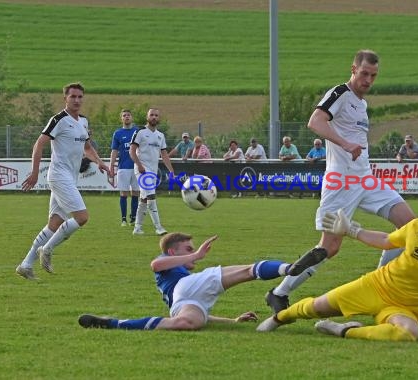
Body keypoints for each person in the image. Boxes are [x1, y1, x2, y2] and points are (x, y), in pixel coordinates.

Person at [265, 49, 416, 314]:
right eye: (364, 73)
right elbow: (315, 122)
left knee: (410, 226)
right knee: (329, 247)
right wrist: (345, 144)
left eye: (373, 75)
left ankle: (378, 287)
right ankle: (279, 292)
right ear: (353, 69)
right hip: (341, 183)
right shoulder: (341, 93)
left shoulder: (362, 103)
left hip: (365, 180)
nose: (368, 80)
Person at [258, 187, 418, 344]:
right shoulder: (416, 227)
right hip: (375, 286)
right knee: (315, 307)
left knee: (408, 334)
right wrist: (353, 230)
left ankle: (343, 331)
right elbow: (387, 241)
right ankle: (278, 319)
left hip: (405, 309)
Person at [78, 232, 299, 331]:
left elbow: (197, 307)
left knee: (185, 322)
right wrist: (195, 257)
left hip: (184, 302)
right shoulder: (166, 261)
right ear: (173, 251)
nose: (192, 253)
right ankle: (290, 268)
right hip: (186, 293)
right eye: (188, 248)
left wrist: (231, 321)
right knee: (247, 271)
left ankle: (114, 323)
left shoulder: (184, 279)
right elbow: (155, 265)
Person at [15, 82, 110, 280]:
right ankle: (47, 250)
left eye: (79, 97)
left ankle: (25, 265)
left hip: (70, 177)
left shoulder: (83, 121)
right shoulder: (58, 119)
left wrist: (100, 162)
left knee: (54, 223)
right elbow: (39, 144)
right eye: (72, 96)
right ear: (65, 98)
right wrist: (34, 173)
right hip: (59, 175)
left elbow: (87, 148)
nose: (76, 100)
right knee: (82, 217)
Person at [130, 108, 175, 236]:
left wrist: (171, 170)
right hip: (142, 170)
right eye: (152, 115)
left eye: (156, 115)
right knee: (151, 196)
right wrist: (139, 165)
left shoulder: (160, 135)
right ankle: (158, 227)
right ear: (147, 117)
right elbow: (132, 151)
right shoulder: (140, 132)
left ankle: (137, 228)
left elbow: (164, 154)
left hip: (153, 171)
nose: (154, 117)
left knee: (144, 198)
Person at [109, 109, 140, 227]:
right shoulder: (117, 133)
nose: (126, 117)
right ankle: (123, 219)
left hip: (137, 167)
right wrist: (111, 166)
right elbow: (114, 151)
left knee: (136, 193)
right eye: (124, 115)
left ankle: (133, 218)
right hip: (123, 167)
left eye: (128, 115)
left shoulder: (137, 131)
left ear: (132, 118)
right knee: (124, 193)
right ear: (121, 118)